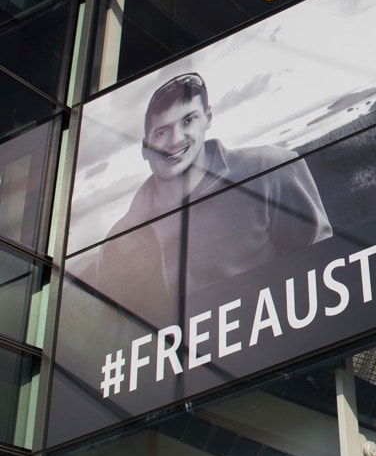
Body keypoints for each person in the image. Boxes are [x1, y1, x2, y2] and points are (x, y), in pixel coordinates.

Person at [92, 73, 332, 326]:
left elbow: (325, 265)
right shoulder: (118, 241)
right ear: (145, 148)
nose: (176, 139)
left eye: (188, 120)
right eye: (162, 132)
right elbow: (114, 338)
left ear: (207, 119)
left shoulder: (268, 168)